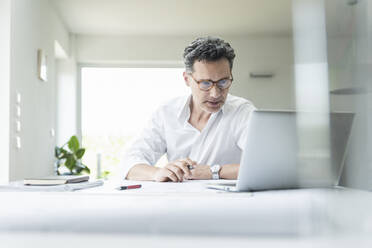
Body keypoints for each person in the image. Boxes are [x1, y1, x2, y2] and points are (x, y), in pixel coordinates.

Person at [123, 36, 255, 182]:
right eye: (205, 83)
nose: (215, 94)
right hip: (178, 202)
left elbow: (264, 165)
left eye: (223, 82)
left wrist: (214, 171)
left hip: (228, 203)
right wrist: (157, 173)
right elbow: (130, 162)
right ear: (187, 79)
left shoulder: (243, 111)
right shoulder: (167, 112)